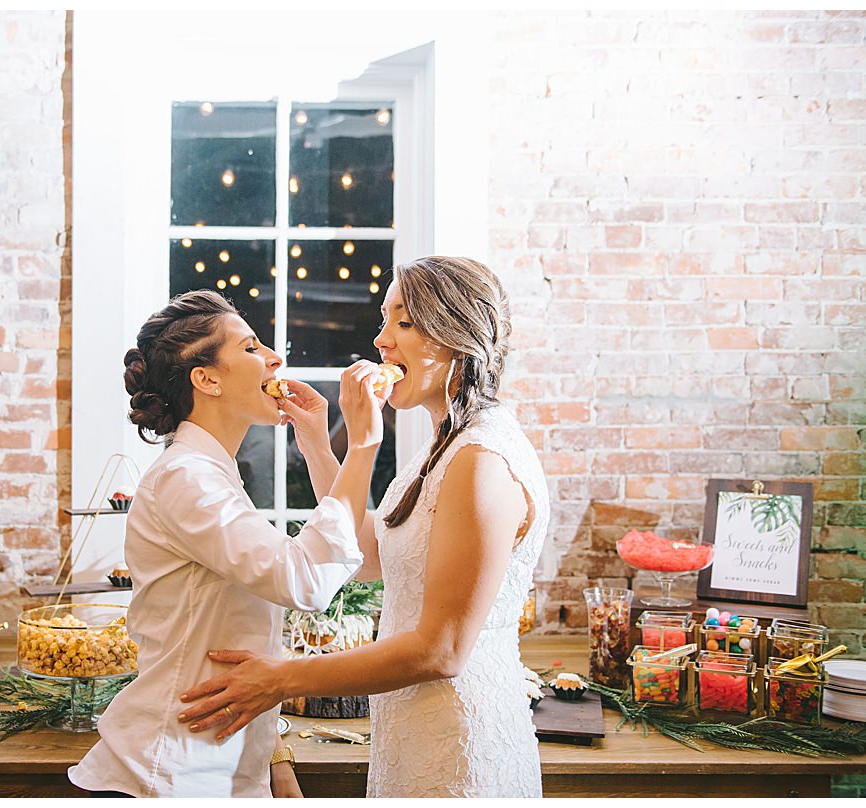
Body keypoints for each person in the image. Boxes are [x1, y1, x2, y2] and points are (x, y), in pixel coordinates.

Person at [177, 257, 550, 798]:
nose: (380, 340)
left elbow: (441, 649)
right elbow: (374, 553)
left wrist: (279, 679)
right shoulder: (446, 444)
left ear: (454, 335)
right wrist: (316, 444)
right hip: (416, 727)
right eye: (384, 320)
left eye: (402, 322)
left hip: (463, 739)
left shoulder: (481, 460)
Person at [67, 289, 387, 797]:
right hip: (171, 769)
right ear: (207, 379)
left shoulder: (211, 474)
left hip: (224, 764)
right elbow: (305, 580)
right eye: (251, 347)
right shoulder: (185, 479)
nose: (274, 358)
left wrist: (274, 756)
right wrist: (363, 445)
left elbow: (251, 629)